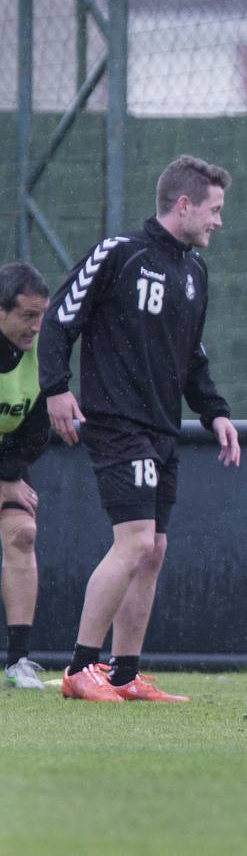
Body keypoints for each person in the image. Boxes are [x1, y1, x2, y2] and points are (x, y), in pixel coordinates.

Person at [41, 155, 241, 703]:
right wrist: (56, 388)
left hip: (162, 429)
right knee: (132, 544)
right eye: (214, 210)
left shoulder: (194, 272)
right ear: (183, 205)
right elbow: (60, 318)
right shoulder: (120, 253)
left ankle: (124, 675)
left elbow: (192, 356)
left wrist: (216, 411)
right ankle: (80, 669)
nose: (218, 221)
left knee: (153, 549)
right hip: (117, 422)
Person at [0, 264, 52, 690]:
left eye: (41, 317)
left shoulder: (40, 349)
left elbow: (35, 431)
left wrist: (8, 477)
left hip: (5, 460)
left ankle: (18, 662)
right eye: (26, 317)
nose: (36, 327)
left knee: (23, 533)